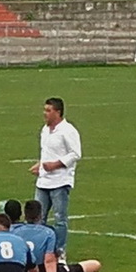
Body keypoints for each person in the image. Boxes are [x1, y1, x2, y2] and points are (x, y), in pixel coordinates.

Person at [28, 97, 81, 261]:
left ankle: (59, 252)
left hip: (60, 180)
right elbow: (47, 153)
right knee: (38, 217)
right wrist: (40, 164)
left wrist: (56, 164)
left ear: (58, 112)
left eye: (48, 110)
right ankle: (40, 250)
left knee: (60, 219)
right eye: (44, 110)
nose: (45, 114)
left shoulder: (68, 130)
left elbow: (75, 154)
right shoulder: (45, 130)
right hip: (43, 180)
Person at [8, 199, 101, 272]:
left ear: (24, 215)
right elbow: (49, 260)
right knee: (94, 265)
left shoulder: (12, 230)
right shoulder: (48, 232)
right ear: (40, 215)